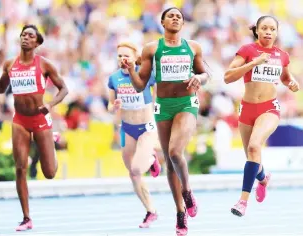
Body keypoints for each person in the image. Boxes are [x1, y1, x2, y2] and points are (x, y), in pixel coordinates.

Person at [121, 7, 209, 236]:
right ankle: (180, 214)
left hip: (186, 104)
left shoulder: (193, 47)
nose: (175, 18)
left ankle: (187, 192)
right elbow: (140, 85)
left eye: (179, 16)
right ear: (162, 21)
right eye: (171, 15)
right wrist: (131, 69)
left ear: (183, 23)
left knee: (175, 152)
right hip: (163, 107)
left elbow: (206, 74)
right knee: (170, 163)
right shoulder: (152, 49)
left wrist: (199, 78)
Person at [224, 15, 300, 217]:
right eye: (264, 28)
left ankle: (242, 201)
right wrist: (253, 63)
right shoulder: (247, 51)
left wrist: (292, 83)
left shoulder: (282, 55)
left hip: (269, 108)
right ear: (257, 30)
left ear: (277, 32)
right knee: (252, 156)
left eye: (272, 29)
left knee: (254, 146)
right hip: (247, 108)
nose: (268, 32)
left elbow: (285, 77)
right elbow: (228, 76)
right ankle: (263, 178)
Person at [0, 24, 68, 230]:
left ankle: (52, 140)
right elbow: (1, 88)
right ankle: (26, 218)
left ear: (37, 43)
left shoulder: (45, 65)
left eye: (30, 36)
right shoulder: (10, 64)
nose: (25, 38)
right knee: (21, 167)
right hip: (19, 120)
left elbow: (64, 89)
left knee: (49, 172)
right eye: (23, 35)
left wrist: (50, 105)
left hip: (40, 120)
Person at [108, 42, 161, 228]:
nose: (123, 59)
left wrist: (157, 109)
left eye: (126, 56)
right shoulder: (113, 78)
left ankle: (152, 158)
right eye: (119, 56)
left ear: (134, 58)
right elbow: (109, 104)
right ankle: (150, 210)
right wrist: (113, 106)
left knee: (138, 169)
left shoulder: (145, 74)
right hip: (127, 128)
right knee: (133, 173)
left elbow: (158, 91)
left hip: (146, 127)